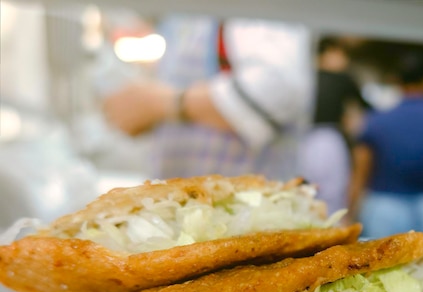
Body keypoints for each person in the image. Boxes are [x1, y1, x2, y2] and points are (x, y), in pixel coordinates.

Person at [102, 15, 312, 181]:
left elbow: (277, 89)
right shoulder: (188, 18)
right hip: (197, 221)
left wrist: (164, 104)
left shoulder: (244, 10)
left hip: (246, 222)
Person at [349, 50, 423, 237]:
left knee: (382, 264)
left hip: (383, 209)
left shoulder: (376, 120)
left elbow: (360, 173)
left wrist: (351, 213)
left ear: (397, 80)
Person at [298, 37, 371, 215]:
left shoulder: (304, 76)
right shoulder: (342, 78)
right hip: (328, 138)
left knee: (305, 190)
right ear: (329, 53)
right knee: (332, 193)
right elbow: (367, 108)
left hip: (302, 138)